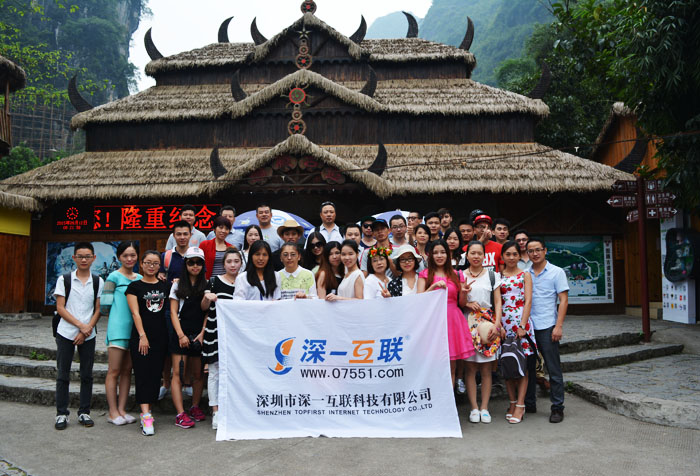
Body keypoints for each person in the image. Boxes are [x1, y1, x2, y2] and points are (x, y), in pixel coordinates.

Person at [53, 242, 104, 430]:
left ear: (93, 258)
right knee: (63, 374)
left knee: (87, 374)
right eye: (80, 256)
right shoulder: (64, 279)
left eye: (87, 256)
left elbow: (98, 309)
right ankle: (61, 413)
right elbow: (60, 308)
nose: (84, 259)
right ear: (74, 258)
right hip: (66, 332)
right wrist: (81, 326)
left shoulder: (98, 281)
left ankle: (84, 411)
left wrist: (87, 329)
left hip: (88, 334)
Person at [418, 240, 473, 389]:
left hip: (452, 320)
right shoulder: (424, 274)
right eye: (435, 253)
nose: (439, 256)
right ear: (430, 255)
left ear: (448, 255)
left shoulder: (457, 274)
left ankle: (450, 400)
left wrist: (464, 293)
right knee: (434, 364)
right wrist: (434, 286)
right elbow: (419, 300)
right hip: (433, 322)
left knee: (451, 366)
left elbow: (461, 303)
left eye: (442, 252)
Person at [126, 250, 170, 436]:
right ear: (141, 264)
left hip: (161, 336)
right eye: (148, 263)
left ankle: (148, 410)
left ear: (160, 266)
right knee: (143, 373)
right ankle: (145, 415)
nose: (151, 266)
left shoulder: (165, 286)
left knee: (155, 374)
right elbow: (135, 313)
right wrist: (142, 335)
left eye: (155, 263)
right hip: (141, 336)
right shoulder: (134, 287)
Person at [526, 238, 569, 423]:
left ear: (545, 250)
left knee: (553, 368)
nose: (535, 254)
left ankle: (557, 407)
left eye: (538, 250)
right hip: (528, 326)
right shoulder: (525, 273)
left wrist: (558, 326)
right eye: (531, 251)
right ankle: (529, 403)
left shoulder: (556, 272)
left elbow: (563, 300)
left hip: (547, 325)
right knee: (528, 368)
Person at [201, 248, 243, 430]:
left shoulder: (245, 281)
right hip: (215, 331)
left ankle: (233, 409)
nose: (233, 265)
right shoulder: (213, 281)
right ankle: (216, 411)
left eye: (236, 261)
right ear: (223, 264)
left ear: (241, 263)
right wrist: (207, 298)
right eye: (229, 261)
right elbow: (204, 308)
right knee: (214, 372)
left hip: (238, 334)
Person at [462, 240, 502, 424]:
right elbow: (457, 301)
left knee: (486, 369)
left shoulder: (492, 275)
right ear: (467, 255)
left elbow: (498, 301)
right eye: (473, 253)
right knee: (470, 369)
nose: (476, 256)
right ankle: (473, 407)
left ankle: (484, 407)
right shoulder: (461, 275)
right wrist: (467, 303)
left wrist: (497, 324)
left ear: (484, 256)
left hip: (488, 325)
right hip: (467, 324)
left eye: (479, 253)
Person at [169, 247, 208, 429]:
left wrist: (202, 333)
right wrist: (180, 335)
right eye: (191, 262)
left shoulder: (207, 285)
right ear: (185, 264)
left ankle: (195, 406)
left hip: (199, 334)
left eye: (198, 262)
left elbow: (208, 312)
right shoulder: (177, 285)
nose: (195, 266)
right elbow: (173, 312)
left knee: (198, 374)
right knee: (178, 373)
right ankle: (180, 413)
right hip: (180, 333)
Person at [103, 241, 141, 426]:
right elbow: (105, 306)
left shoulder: (140, 278)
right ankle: (112, 412)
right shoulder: (113, 277)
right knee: (114, 371)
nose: (129, 259)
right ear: (119, 257)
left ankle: (122, 410)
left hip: (135, 331)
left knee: (127, 371)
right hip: (118, 329)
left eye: (133, 255)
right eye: (125, 255)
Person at [499, 241, 535, 424]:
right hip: (504, 325)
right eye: (508, 254)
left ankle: (521, 405)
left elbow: (528, 301)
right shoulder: (498, 276)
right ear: (502, 256)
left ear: (519, 256)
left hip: (521, 324)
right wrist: (499, 325)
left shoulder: (525, 275)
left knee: (522, 365)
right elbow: (497, 301)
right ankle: (512, 402)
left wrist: (522, 325)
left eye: (514, 254)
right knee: (507, 365)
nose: (511, 257)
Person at [157, 220, 192, 401]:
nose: (182, 237)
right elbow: (159, 275)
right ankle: (165, 383)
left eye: (185, 234)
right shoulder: (167, 256)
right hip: (169, 306)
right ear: (173, 236)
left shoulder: (195, 254)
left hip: (190, 307)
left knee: (187, 345)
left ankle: (186, 381)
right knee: (167, 347)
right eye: (179, 234)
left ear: (191, 235)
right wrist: (161, 275)